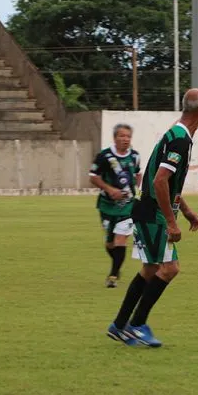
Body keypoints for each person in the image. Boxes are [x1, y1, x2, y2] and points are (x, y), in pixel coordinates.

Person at [107, 88, 198, 348]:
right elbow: (160, 180)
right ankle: (137, 325)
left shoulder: (172, 133)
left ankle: (119, 325)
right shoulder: (180, 140)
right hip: (153, 214)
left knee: (151, 268)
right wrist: (172, 222)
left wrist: (184, 210)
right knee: (169, 269)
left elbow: (162, 179)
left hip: (147, 210)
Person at [88, 123, 142, 287]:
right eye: (122, 136)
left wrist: (137, 192)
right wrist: (110, 189)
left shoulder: (134, 156)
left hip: (127, 205)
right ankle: (117, 265)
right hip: (107, 204)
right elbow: (93, 176)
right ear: (115, 138)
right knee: (110, 243)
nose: (125, 139)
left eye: (128, 136)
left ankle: (113, 276)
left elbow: (138, 173)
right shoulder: (104, 156)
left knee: (121, 239)